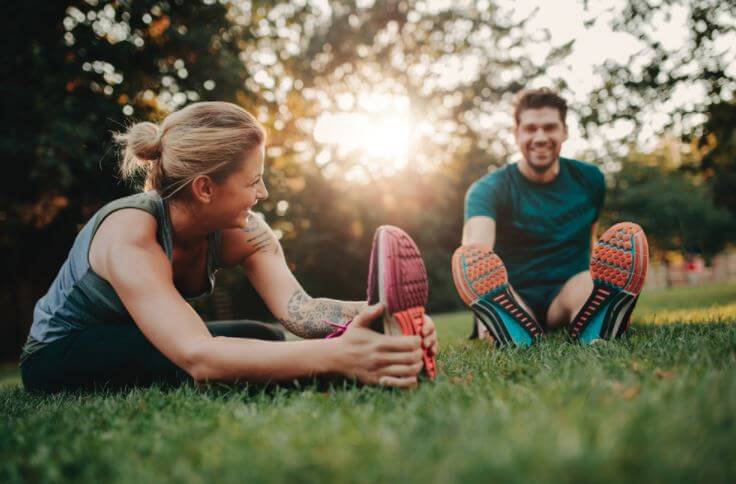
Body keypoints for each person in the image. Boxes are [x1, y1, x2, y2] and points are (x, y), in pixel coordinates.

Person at [20, 101, 437, 393]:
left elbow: (302, 312)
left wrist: (384, 317)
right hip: (63, 350)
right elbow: (199, 356)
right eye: (253, 180)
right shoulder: (131, 232)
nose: (264, 192)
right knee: (204, 364)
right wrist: (339, 358)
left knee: (265, 338)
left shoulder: (244, 231)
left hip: (138, 337)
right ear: (205, 188)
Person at [453, 88, 648, 345]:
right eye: (531, 128)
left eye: (550, 127)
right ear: (516, 134)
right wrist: (476, 265)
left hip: (567, 291)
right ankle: (501, 321)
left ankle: (599, 319)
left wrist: (598, 276)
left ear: (565, 131)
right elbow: (476, 253)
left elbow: (590, 237)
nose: (540, 137)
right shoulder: (488, 189)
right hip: (513, 292)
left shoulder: (590, 179)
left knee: (588, 286)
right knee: (497, 291)